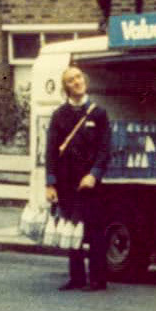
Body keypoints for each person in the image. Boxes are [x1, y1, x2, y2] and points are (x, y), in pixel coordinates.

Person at [45, 66, 111, 291]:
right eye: (71, 80)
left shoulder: (99, 113)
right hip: (66, 182)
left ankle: (98, 279)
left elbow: (105, 149)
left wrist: (94, 174)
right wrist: (50, 183)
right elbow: (51, 151)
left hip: (90, 183)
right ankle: (77, 277)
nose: (76, 82)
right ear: (65, 87)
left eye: (79, 77)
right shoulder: (58, 116)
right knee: (71, 228)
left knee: (94, 230)